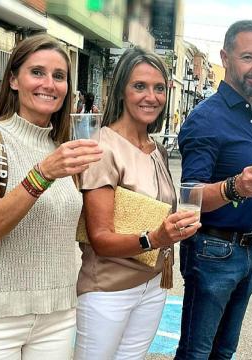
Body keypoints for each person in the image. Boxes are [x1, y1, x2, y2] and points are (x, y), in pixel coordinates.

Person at [0, 34, 103, 359]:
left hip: (59, 312)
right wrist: (44, 173)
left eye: (59, 76)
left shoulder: (65, 150)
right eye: (37, 72)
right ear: (13, 79)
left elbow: (76, 229)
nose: (49, 83)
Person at [75, 47, 200, 359]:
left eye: (159, 88)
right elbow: (100, 239)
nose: (151, 96)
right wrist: (157, 238)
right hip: (108, 290)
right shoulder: (103, 147)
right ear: (121, 90)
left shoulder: (154, 148)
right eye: (139, 86)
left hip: (153, 284)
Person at [175, 20, 252, 360]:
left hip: (246, 252)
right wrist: (237, 187)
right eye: (248, 57)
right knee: (196, 353)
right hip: (212, 252)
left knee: (224, 353)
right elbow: (189, 198)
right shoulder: (207, 118)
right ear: (225, 58)